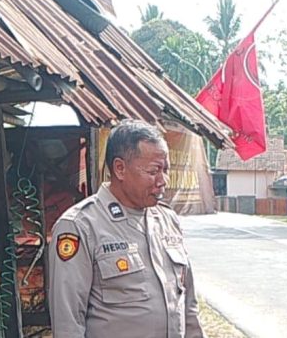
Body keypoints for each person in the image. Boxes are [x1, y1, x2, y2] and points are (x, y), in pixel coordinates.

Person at [48, 119, 205, 338]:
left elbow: (188, 305)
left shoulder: (167, 220)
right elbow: (68, 324)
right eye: (153, 171)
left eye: (165, 170)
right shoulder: (80, 226)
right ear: (120, 169)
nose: (163, 181)